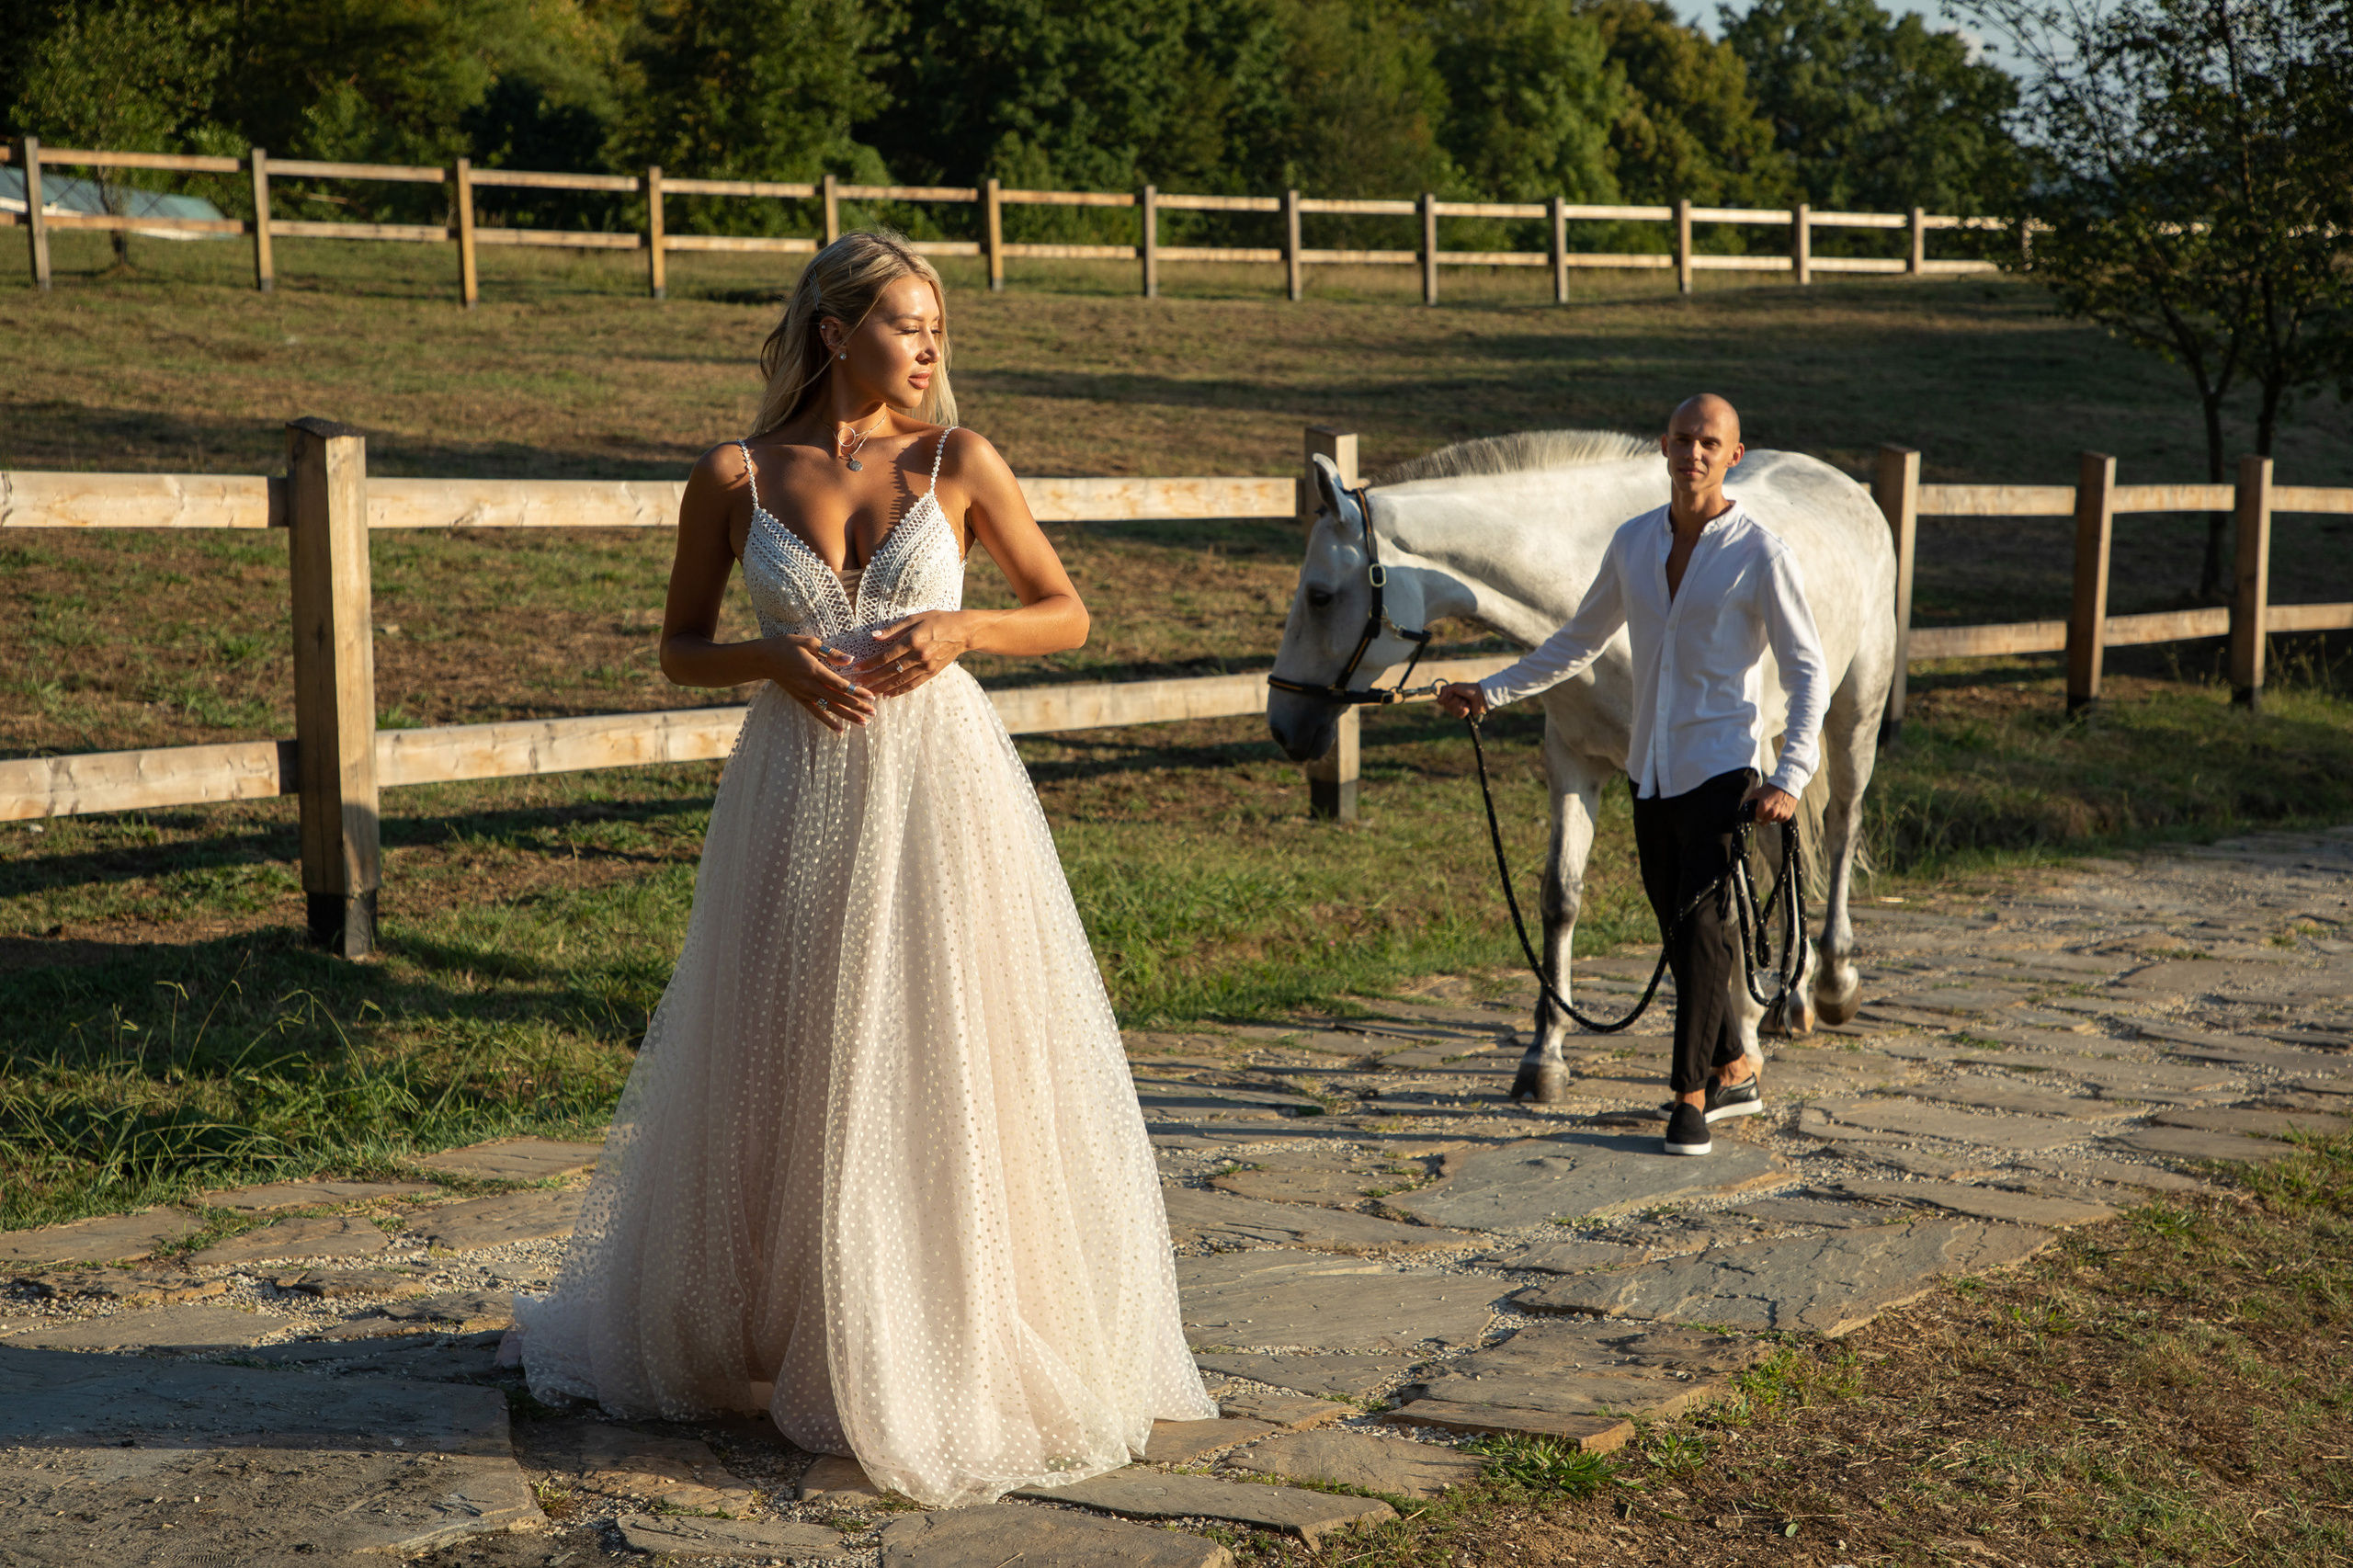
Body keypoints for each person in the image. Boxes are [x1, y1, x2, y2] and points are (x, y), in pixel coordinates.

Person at [508, 230, 1216, 1506]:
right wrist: (769, 657)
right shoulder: (734, 473)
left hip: (941, 790)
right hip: (794, 787)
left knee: (935, 1041)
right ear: (837, 332)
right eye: (907, 323)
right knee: (791, 1043)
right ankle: (786, 1331)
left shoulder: (959, 460)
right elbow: (679, 647)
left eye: (938, 326)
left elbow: (1066, 611)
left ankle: (933, 1333)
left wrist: (961, 627)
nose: (931, 346)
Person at [1437, 393, 1827, 1159]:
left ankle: (1689, 1099)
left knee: (1704, 927)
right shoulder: (1634, 542)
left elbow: (1807, 670)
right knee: (1681, 930)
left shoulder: (1761, 554)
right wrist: (1490, 691)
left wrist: (1790, 774)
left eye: (1709, 443)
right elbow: (1576, 641)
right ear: (1663, 446)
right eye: (1683, 439)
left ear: (1733, 455)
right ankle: (1735, 1068)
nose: (1693, 453)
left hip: (1725, 768)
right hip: (1649, 767)